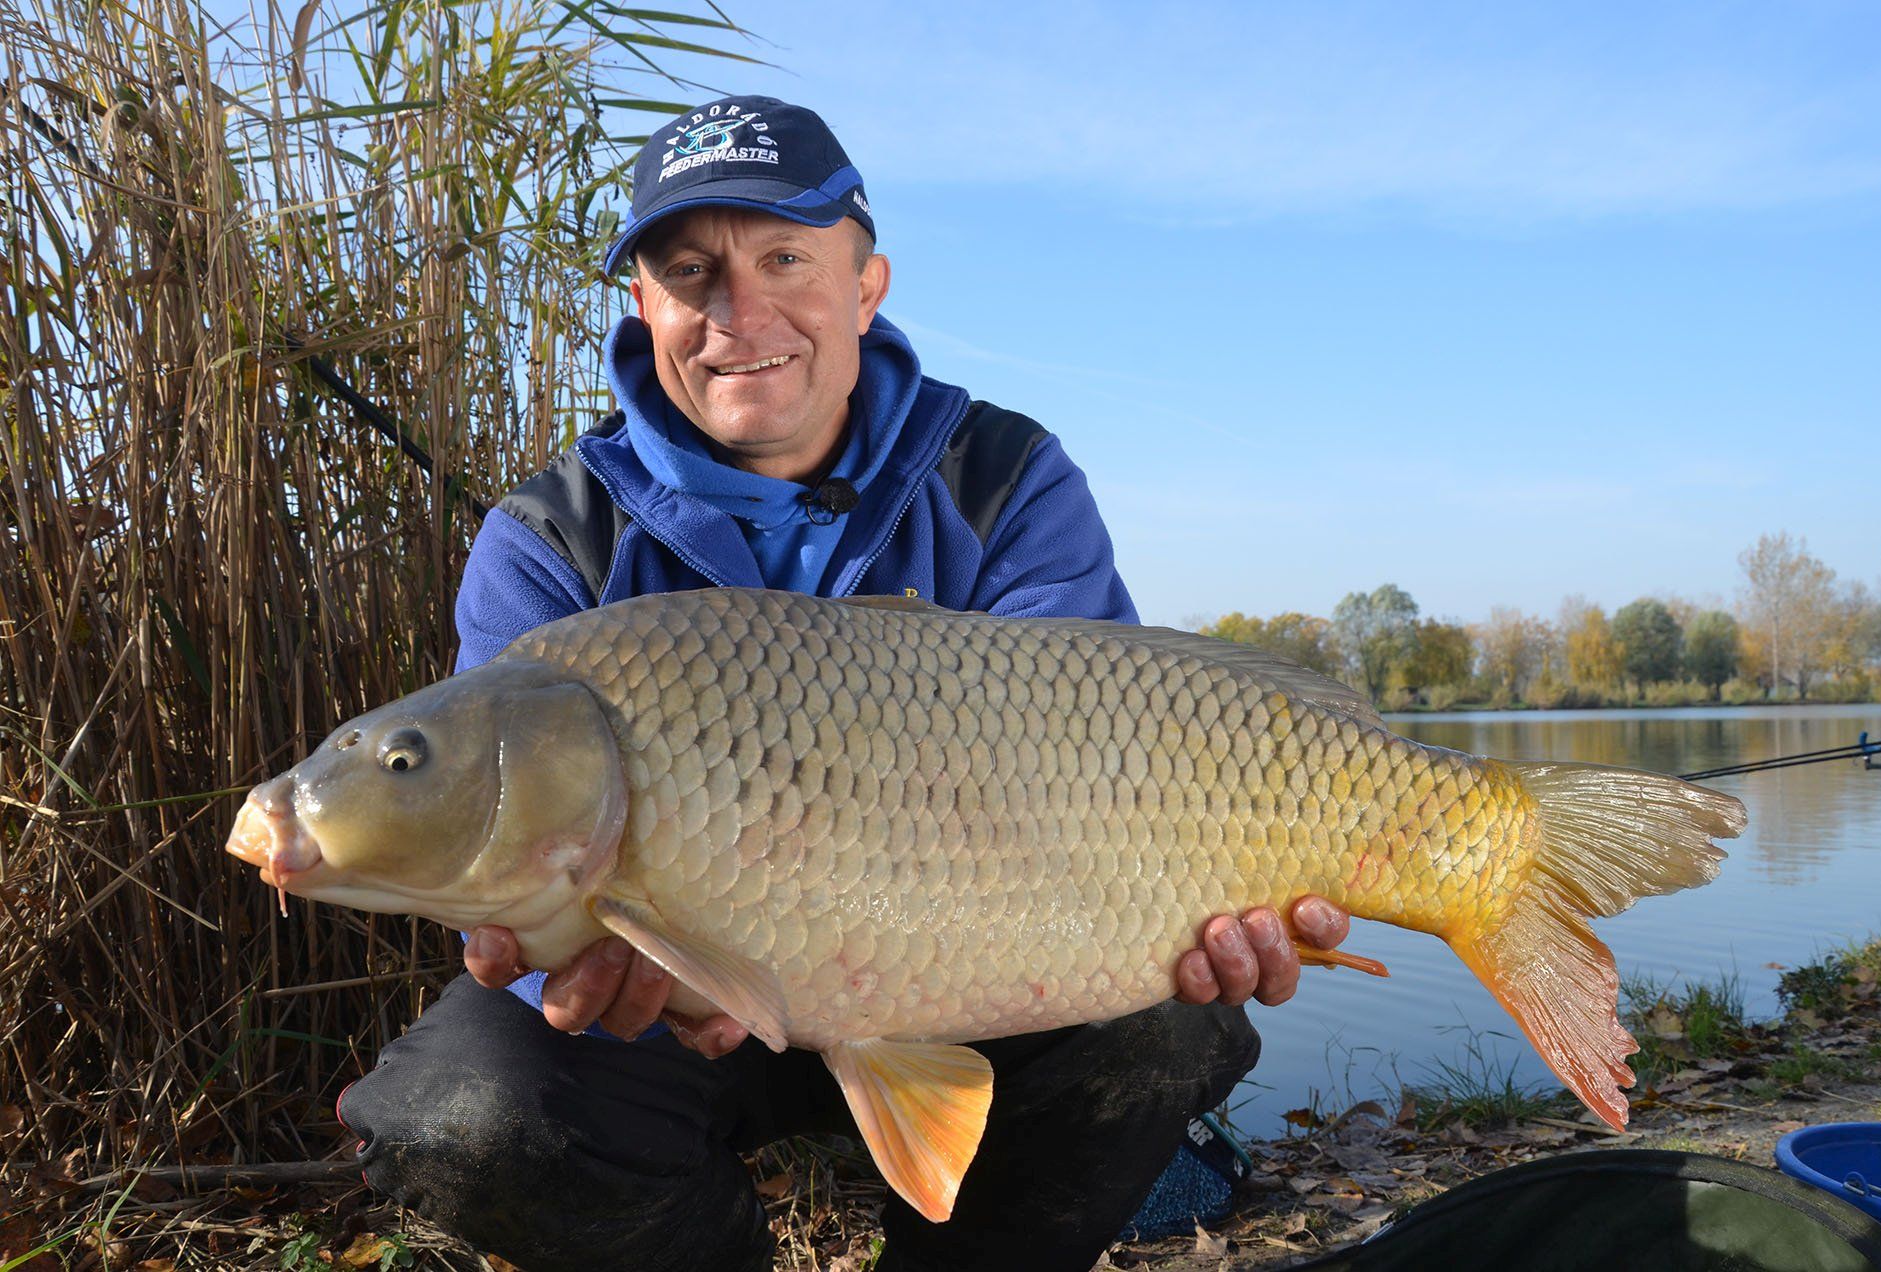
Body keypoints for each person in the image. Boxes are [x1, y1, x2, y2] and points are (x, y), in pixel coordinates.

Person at [337, 96, 1354, 1271]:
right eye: (690, 271)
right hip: (667, 1010)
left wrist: (1226, 892)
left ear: (866, 287)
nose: (739, 313)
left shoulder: (1005, 480)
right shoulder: (549, 540)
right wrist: (585, 955)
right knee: (461, 1117)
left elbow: (1097, 781)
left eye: (785, 260)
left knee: (1170, 1017)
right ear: (645, 305)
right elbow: (505, 859)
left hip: (973, 961)